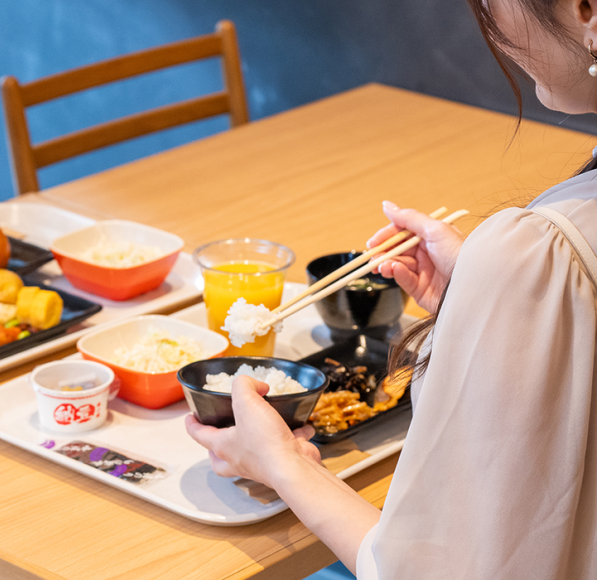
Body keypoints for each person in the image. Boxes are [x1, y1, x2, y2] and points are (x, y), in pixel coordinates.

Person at [186, 0, 597, 577]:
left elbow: (432, 569)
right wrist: (486, 300)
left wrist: (282, 464)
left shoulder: (543, 249)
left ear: (587, 10)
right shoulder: (546, 254)